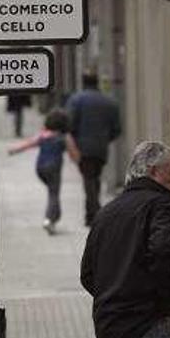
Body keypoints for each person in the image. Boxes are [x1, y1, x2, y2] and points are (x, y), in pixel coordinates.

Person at [80, 142, 170, 338]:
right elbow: (163, 257)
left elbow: (88, 274)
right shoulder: (161, 205)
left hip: (109, 329)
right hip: (146, 325)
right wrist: (169, 308)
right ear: (153, 172)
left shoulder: (106, 212)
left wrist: (114, 298)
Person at [8, 110, 80, 235]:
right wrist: (78, 160)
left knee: (52, 192)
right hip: (54, 168)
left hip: (40, 168)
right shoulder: (64, 137)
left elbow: (28, 144)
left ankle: (55, 215)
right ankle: (49, 219)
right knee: (54, 193)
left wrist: (13, 150)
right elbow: (74, 155)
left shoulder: (43, 135)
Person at [66, 72, 122, 225]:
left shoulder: (76, 100)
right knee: (94, 178)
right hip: (101, 148)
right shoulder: (109, 102)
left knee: (88, 179)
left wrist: (73, 145)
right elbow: (117, 129)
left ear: (83, 82)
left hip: (83, 148)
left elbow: (69, 125)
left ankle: (95, 212)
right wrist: (105, 139)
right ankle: (90, 214)